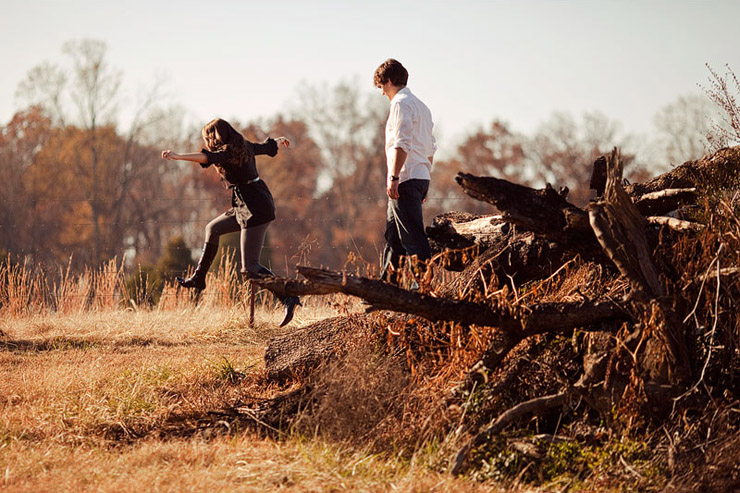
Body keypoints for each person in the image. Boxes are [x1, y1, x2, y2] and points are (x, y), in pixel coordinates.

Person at [161, 118, 300, 327]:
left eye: (208, 138)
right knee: (213, 228)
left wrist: (178, 156)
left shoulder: (229, 151)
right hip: (244, 204)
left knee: (250, 267)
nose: (207, 143)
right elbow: (267, 147)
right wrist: (278, 141)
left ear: (215, 137)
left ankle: (288, 296)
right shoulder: (243, 146)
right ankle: (199, 278)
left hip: (256, 207)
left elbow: (207, 157)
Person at [373, 59, 436, 285]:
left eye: (381, 87)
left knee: (412, 239)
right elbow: (431, 147)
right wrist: (424, 179)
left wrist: (394, 177)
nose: (382, 93)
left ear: (389, 80)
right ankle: (388, 287)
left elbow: (401, 143)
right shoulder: (422, 107)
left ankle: (424, 290)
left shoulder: (400, 103)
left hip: (406, 178)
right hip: (418, 177)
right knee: (394, 238)